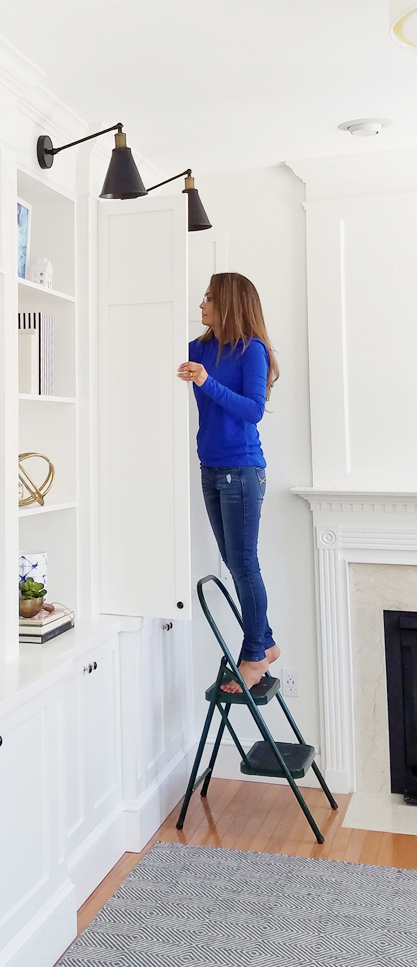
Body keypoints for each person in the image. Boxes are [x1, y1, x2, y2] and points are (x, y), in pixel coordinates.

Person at [177, 272, 280, 694]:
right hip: (211, 469)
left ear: (230, 304)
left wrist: (206, 381)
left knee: (243, 563)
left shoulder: (251, 350)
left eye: (208, 299)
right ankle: (267, 645)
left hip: (242, 470)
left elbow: (254, 410)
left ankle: (254, 653)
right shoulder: (197, 347)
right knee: (234, 560)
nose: (201, 306)